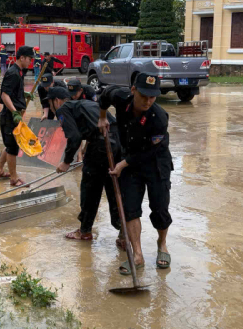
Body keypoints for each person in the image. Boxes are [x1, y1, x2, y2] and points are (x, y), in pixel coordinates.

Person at [98, 73, 173, 273]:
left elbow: (151, 151)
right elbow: (104, 95)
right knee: (130, 207)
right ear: (133, 91)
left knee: (160, 209)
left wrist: (123, 164)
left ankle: (162, 244)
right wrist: (102, 117)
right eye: (143, 96)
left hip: (156, 162)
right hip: (130, 159)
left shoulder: (159, 118)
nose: (148, 101)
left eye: (152, 97)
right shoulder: (120, 97)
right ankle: (137, 256)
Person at [48, 86, 121, 241]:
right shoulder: (85, 103)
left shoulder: (62, 110)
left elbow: (74, 137)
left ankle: (85, 231)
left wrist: (66, 162)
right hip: (117, 144)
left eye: (50, 103)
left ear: (57, 101)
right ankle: (122, 230)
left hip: (101, 146)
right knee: (114, 189)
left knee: (90, 189)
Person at [0, 45, 35, 186]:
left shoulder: (19, 72)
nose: (30, 62)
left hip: (13, 116)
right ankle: (14, 178)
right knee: (12, 148)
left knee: (10, 145)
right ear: (22, 58)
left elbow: (12, 92)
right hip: (10, 117)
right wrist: (15, 112)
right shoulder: (13, 73)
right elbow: (4, 95)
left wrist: (23, 94)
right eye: (29, 59)